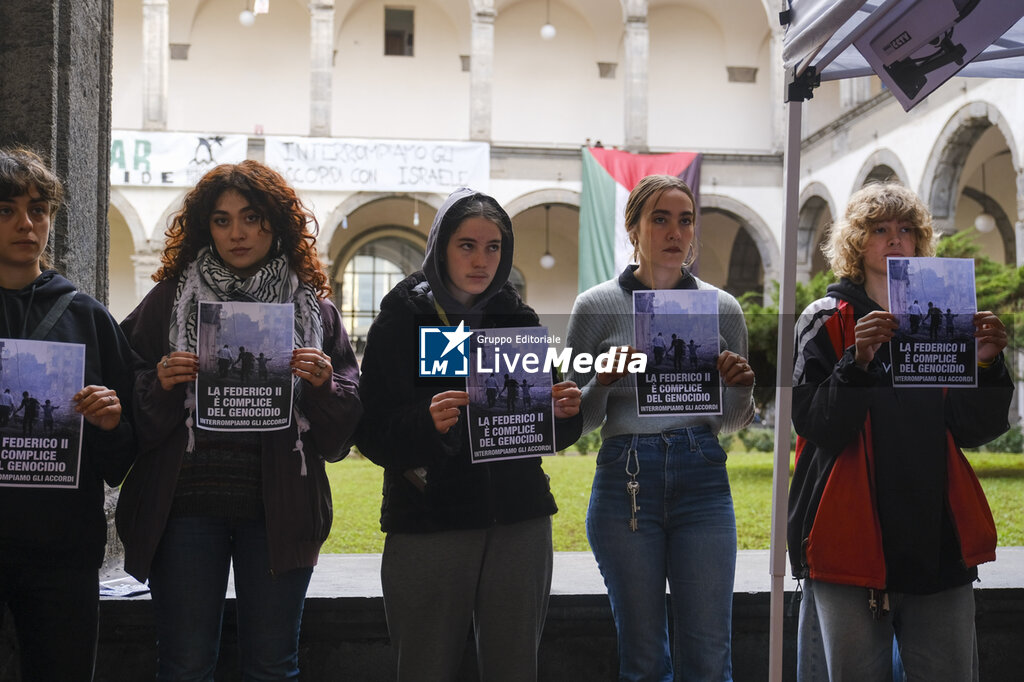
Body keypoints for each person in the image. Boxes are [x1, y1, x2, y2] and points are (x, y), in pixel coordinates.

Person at [115, 160, 362, 680]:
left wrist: (321, 386)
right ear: (206, 226)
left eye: (252, 217)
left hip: (280, 509)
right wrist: (158, 381)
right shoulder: (169, 300)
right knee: (183, 667)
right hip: (183, 509)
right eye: (222, 220)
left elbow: (342, 431)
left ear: (276, 223)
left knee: (273, 667)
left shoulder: (314, 310)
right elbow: (121, 395)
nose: (238, 232)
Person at [355, 188, 582, 681]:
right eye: (467, 246)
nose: (481, 260)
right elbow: (369, 431)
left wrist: (563, 413)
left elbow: (540, 428)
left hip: (519, 522)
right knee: (424, 667)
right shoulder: (399, 319)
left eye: (493, 247)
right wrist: (424, 423)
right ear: (441, 247)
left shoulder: (516, 318)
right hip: (431, 523)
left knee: (515, 667)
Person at [789, 182, 1013, 681]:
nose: (895, 239)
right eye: (880, 229)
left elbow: (974, 428)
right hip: (848, 538)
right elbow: (814, 424)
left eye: (906, 229)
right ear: (855, 242)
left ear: (920, 241)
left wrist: (989, 365)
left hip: (938, 540)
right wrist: (857, 363)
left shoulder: (944, 317)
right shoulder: (823, 318)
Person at [566, 174, 755, 681]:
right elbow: (579, 424)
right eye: (660, 219)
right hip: (625, 478)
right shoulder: (595, 306)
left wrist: (740, 387)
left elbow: (733, 423)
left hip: (702, 478)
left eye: (686, 220)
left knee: (710, 658)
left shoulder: (722, 307)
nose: (675, 232)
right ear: (633, 228)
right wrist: (601, 382)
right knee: (644, 659)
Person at [0, 147, 137, 681]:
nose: (25, 224)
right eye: (6, 210)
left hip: (61, 550)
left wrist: (108, 423)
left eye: (39, 210)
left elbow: (122, 454)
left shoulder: (86, 317)